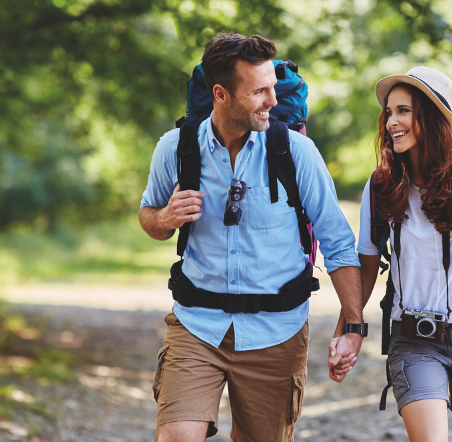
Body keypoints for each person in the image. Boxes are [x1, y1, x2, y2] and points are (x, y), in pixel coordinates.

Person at [139, 32, 365, 442]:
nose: (272, 101)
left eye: (273, 88)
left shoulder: (295, 152)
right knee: (176, 437)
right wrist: (166, 218)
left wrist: (353, 324)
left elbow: (337, 241)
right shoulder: (176, 148)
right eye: (259, 91)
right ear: (221, 94)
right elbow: (149, 215)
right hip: (196, 326)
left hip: (276, 333)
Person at [328, 66, 452, 442]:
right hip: (414, 338)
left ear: (431, 117)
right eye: (389, 112)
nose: (391, 122)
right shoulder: (382, 184)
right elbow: (367, 264)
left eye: (404, 111)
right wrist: (348, 331)